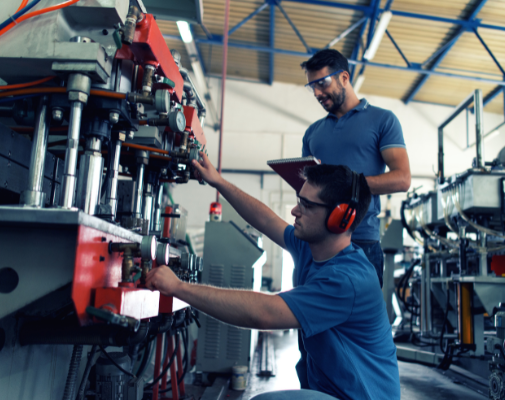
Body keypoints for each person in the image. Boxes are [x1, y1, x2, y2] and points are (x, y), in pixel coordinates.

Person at [146, 152, 400, 400]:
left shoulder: (348, 279)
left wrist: (179, 287)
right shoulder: (312, 246)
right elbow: (266, 220)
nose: (295, 211)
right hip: (332, 389)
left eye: (307, 205)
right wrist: (218, 181)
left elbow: (264, 313)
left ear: (340, 219)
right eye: (299, 201)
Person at [301, 49, 411, 288]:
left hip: (362, 243)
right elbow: (304, 187)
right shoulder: (312, 133)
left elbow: (402, 179)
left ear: (344, 78)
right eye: (312, 87)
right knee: (313, 323)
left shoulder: (383, 120)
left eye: (322, 83)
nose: (317, 93)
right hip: (317, 243)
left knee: (360, 324)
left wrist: (346, 186)